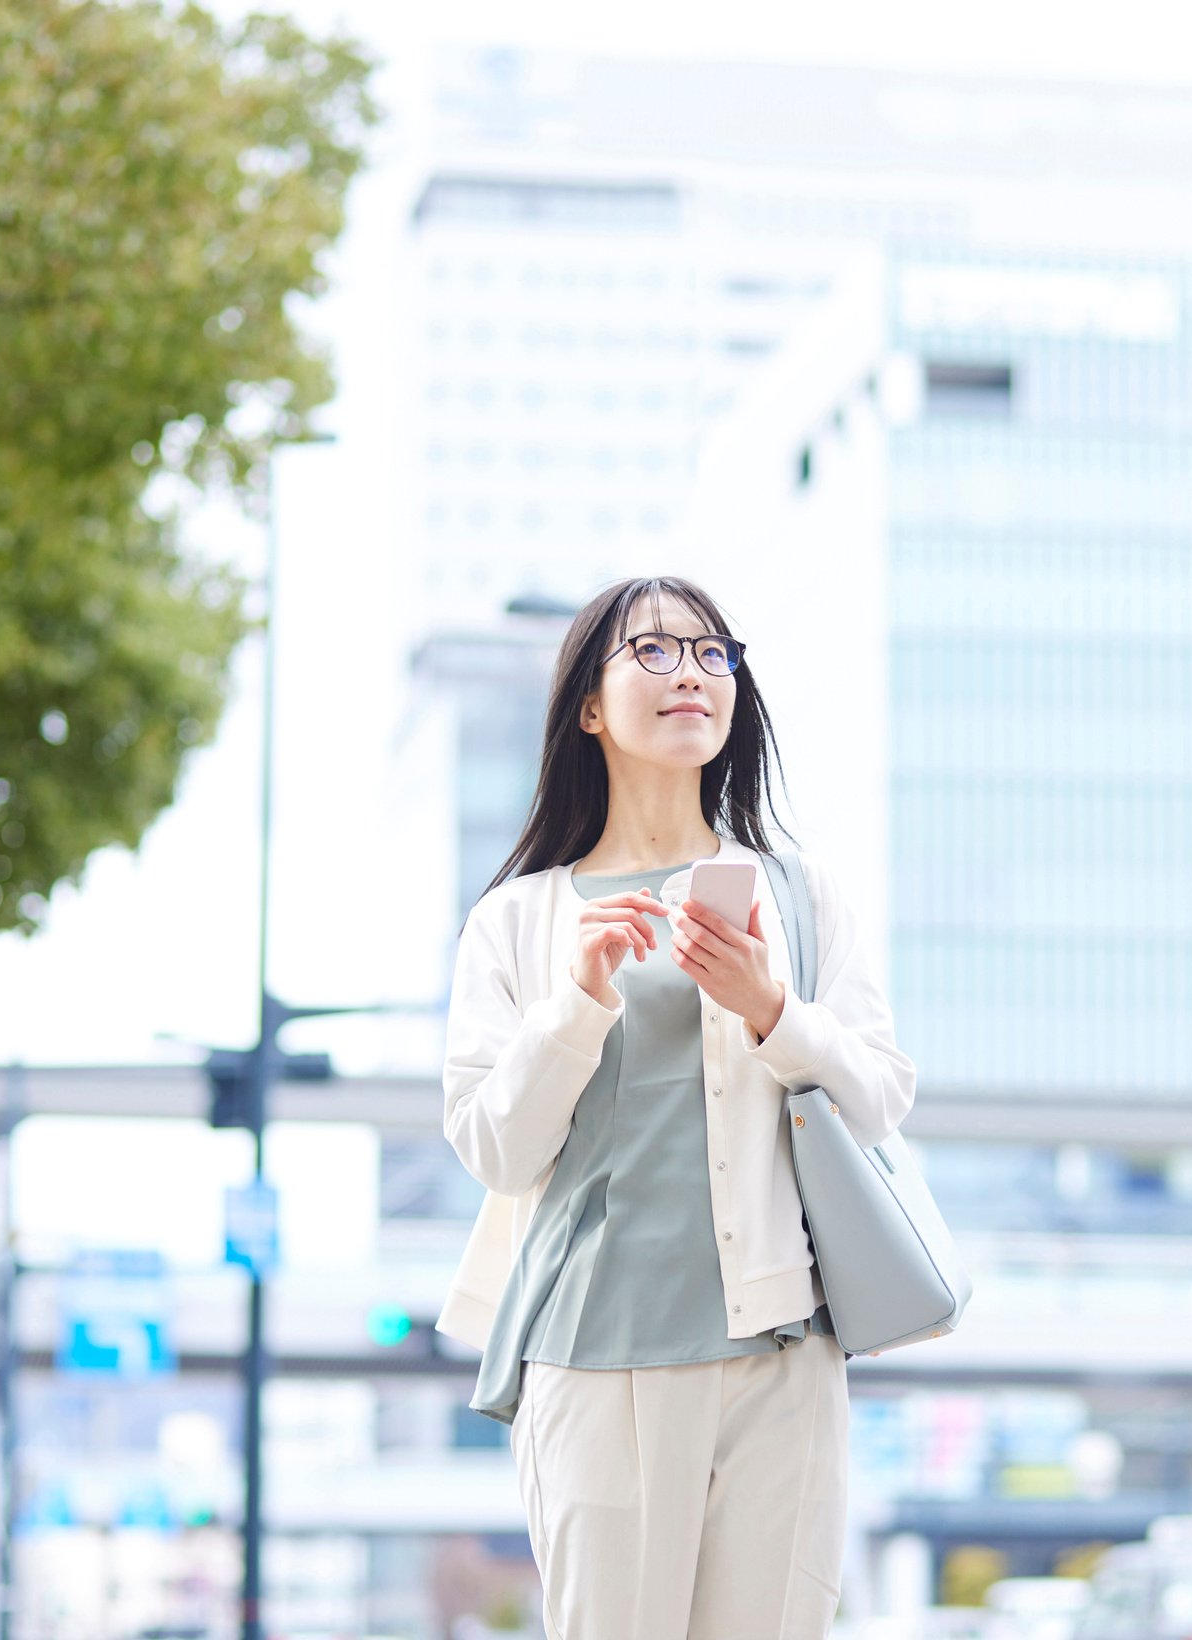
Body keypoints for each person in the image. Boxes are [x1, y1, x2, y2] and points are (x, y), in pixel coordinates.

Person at [436, 575, 917, 1640]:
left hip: (780, 1353)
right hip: (590, 1357)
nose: (690, 672)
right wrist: (577, 1001)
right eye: (651, 652)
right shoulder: (517, 920)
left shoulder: (797, 892)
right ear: (590, 706)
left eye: (710, 652)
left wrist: (771, 1008)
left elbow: (879, 1096)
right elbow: (495, 1149)